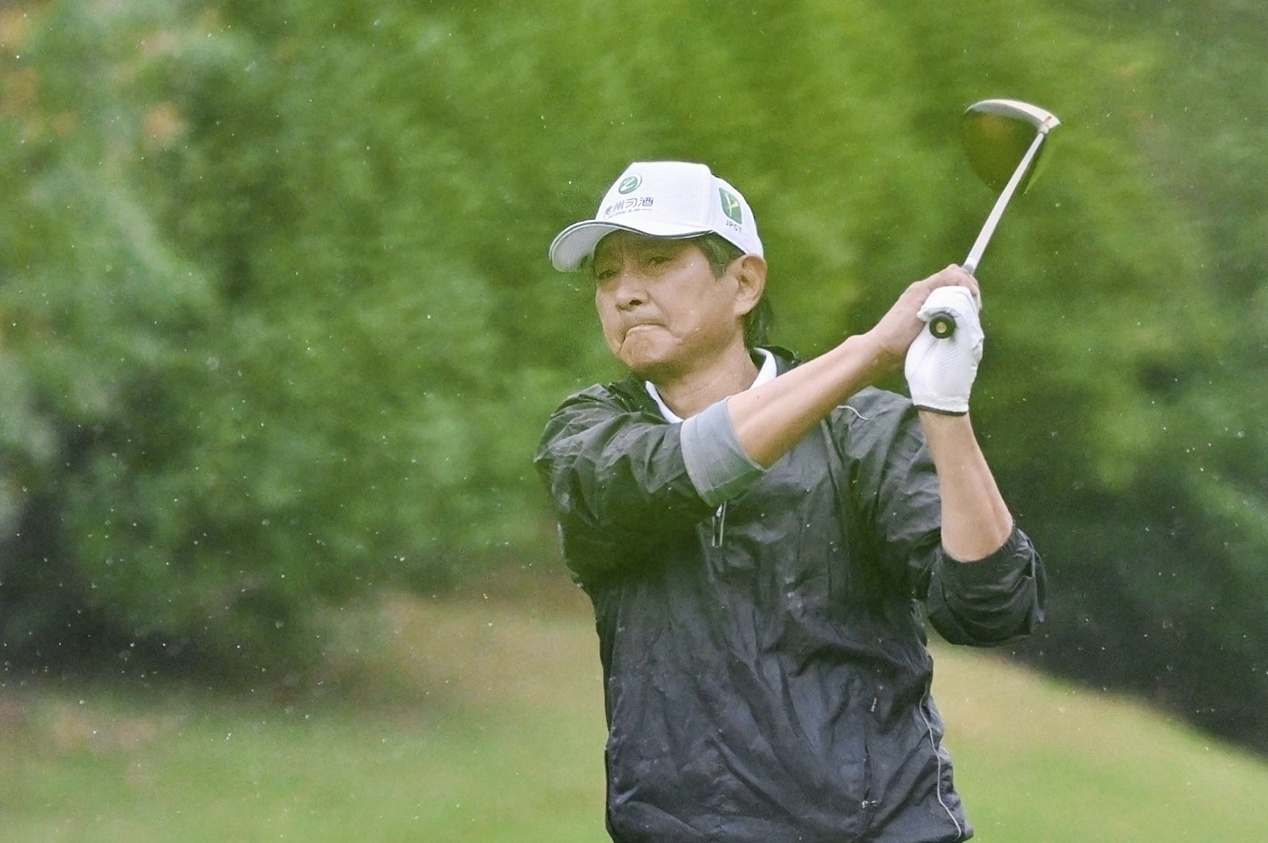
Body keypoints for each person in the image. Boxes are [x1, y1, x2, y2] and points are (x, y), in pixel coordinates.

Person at [534, 161, 1046, 843]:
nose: (625, 292)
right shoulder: (586, 436)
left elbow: (994, 607)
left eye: (656, 261)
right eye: (606, 274)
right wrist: (870, 351)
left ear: (744, 281)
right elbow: (679, 469)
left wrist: (946, 412)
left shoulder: (863, 432)